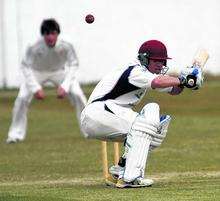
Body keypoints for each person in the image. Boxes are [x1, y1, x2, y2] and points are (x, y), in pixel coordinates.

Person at [80, 40, 203, 188]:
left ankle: (120, 171)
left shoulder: (147, 73)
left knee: (155, 128)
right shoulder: (135, 71)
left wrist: (187, 79)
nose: (160, 64)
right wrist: (183, 79)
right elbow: (157, 82)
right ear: (144, 58)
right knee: (145, 124)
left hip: (108, 115)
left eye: (162, 61)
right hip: (98, 113)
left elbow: (174, 90)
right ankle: (131, 178)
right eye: (156, 61)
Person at [6, 18, 87, 143]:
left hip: (60, 72)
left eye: (53, 33)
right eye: (47, 34)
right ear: (43, 35)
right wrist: (35, 88)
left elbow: (73, 64)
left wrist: (65, 86)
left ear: (57, 34)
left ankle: (88, 131)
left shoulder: (67, 44)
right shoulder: (33, 45)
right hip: (36, 72)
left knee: (77, 94)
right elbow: (25, 66)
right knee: (22, 98)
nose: (50, 37)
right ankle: (15, 135)